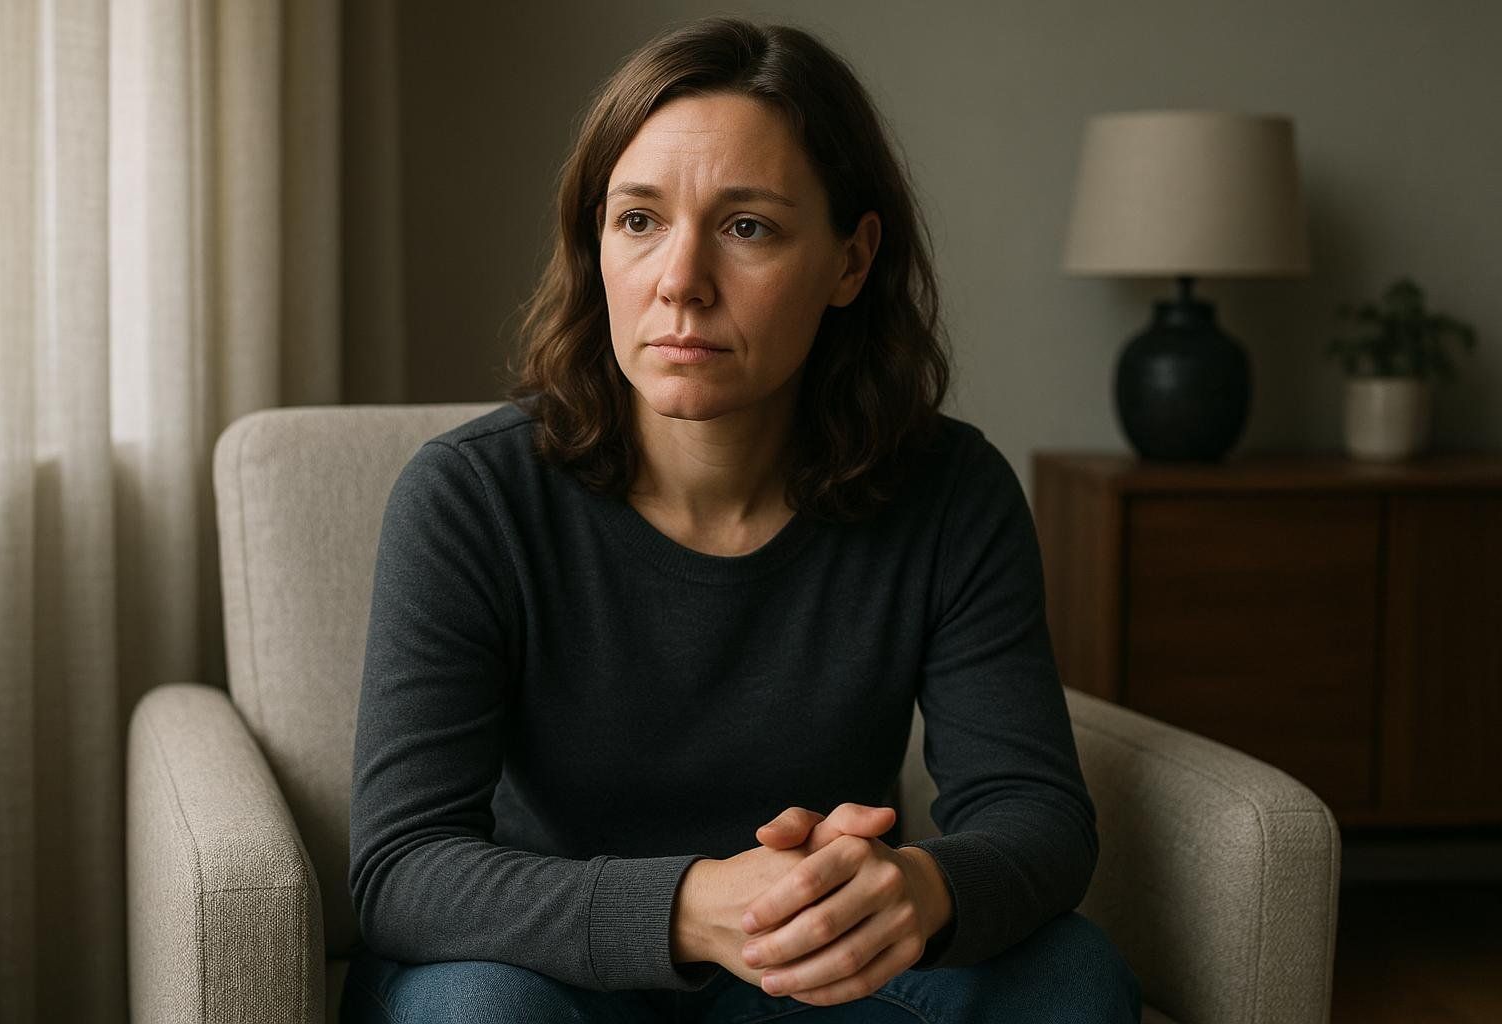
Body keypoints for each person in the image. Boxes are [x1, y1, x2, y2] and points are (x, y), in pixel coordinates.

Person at [341, 14, 1142, 1023]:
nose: (680, 281)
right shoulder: (469, 497)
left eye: (747, 226)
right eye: (638, 221)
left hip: (805, 978)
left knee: (1072, 977)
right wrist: (685, 904)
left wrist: (919, 889)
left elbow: (1037, 815)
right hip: (540, 972)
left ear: (851, 263)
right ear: (595, 247)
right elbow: (404, 869)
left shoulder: (949, 492)